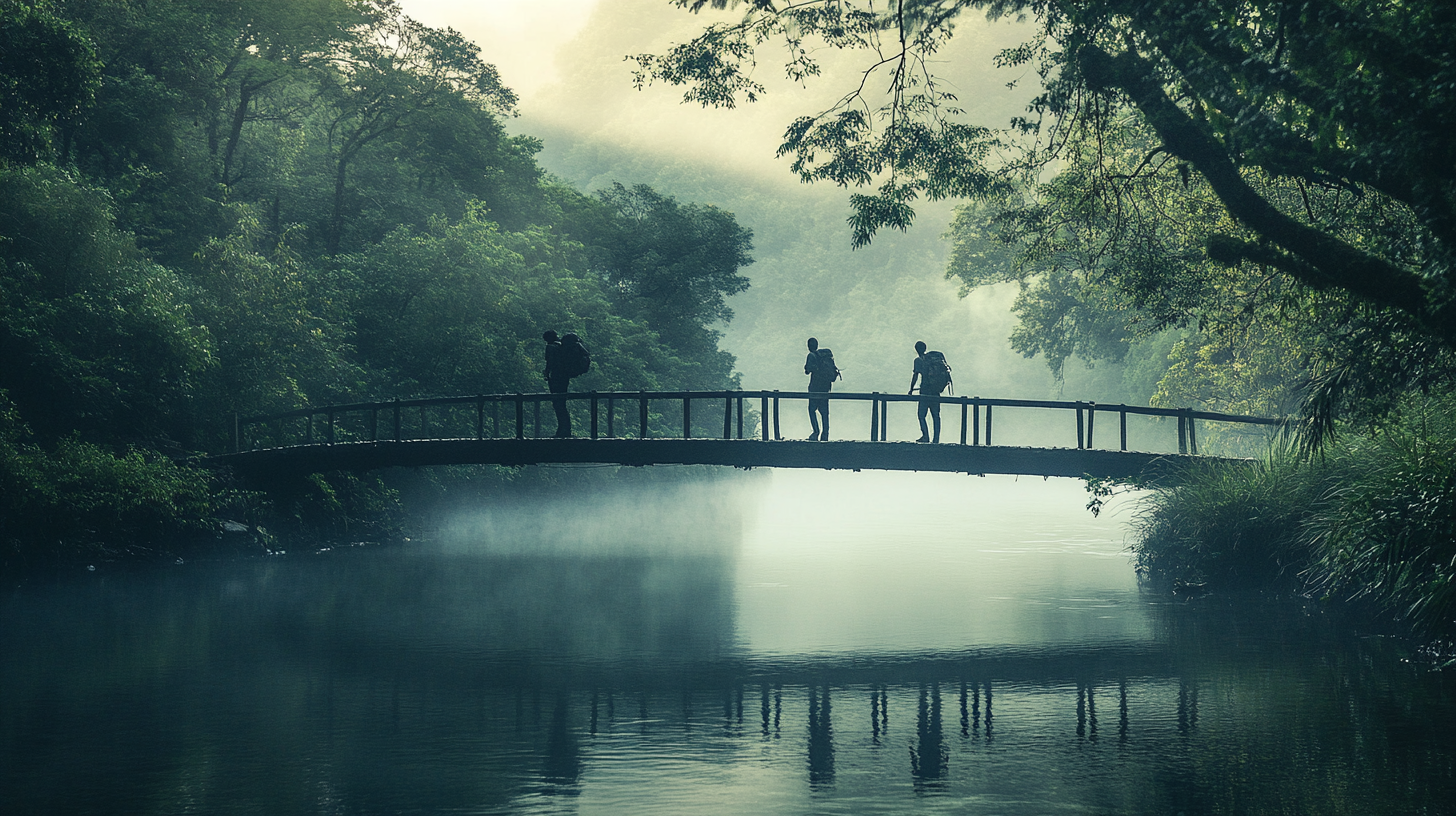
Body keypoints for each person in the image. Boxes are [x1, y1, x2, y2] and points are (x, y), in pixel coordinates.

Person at [908, 340, 952, 443]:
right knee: (936, 415)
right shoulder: (934, 359)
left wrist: (911, 389)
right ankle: (936, 439)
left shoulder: (918, 360)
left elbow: (915, 375)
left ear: (916, 350)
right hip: (936, 391)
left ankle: (925, 436)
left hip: (925, 391)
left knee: (921, 415)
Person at [804, 337, 838, 440]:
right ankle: (825, 435)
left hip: (815, 388)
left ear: (809, 346)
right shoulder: (824, 357)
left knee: (811, 410)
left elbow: (807, 371)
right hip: (825, 388)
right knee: (824, 412)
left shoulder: (811, 355)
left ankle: (815, 432)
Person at [542, 329, 571, 437]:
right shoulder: (562, 346)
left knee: (558, 403)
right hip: (565, 377)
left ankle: (562, 430)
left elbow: (550, 362)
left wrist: (547, 373)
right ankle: (566, 429)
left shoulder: (550, 347)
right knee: (562, 402)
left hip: (556, 377)